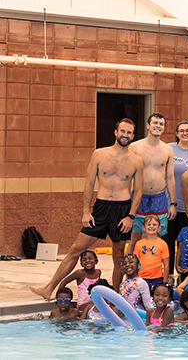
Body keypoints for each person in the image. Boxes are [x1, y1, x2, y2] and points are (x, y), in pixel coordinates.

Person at [30, 118, 144, 300]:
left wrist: (131, 216)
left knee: (118, 256)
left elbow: (138, 191)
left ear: (133, 136)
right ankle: (49, 288)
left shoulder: (137, 161)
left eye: (129, 132)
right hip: (101, 208)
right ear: (116, 132)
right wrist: (85, 211)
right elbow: (89, 183)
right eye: (122, 131)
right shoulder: (99, 154)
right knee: (76, 249)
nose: (125, 135)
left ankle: (115, 297)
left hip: (122, 211)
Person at [126, 113, 176, 255]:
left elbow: (170, 178)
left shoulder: (167, 150)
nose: (157, 126)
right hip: (139, 198)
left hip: (159, 199)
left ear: (164, 127)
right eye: (155, 123)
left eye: (161, 124)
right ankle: (129, 273)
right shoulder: (135, 147)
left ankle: (159, 274)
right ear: (148, 125)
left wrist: (173, 203)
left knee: (158, 239)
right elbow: (127, 176)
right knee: (134, 238)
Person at [164, 119, 188, 283]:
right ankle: (168, 277)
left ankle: (184, 277)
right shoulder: (169, 148)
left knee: (186, 245)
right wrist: (170, 203)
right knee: (168, 242)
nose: (185, 133)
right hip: (169, 205)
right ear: (176, 133)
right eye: (181, 130)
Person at [134, 215, 170, 291]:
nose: (151, 227)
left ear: (159, 227)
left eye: (154, 224)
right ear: (143, 227)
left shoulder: (163, 244)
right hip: (141, 278)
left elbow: (166, 264)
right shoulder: (138, 244)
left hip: (157, 278)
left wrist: (165, 281)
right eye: (148, 224)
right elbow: (135, 263)